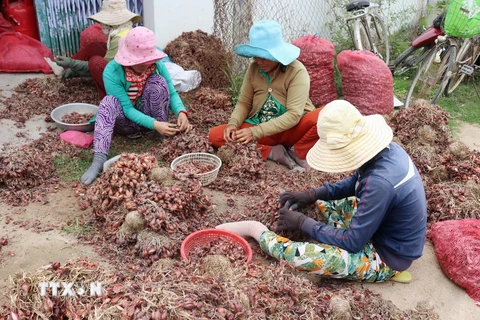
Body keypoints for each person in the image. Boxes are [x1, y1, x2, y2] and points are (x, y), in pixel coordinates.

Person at [217, 100, 427, 283]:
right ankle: (308, 215)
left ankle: (257, 231)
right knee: (318, 206)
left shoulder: (380, 182)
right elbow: (355, 183)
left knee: (316, 257)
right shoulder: (386, 151)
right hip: (383, 227)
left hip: (387, 255)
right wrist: (312, 194)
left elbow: (353, 242)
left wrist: (302, 223)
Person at [80, 27, 192, 185]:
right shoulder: (112, 71)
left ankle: (163, 135)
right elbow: (127, 109)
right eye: (139, 62)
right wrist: (155, 124)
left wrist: (181, 112)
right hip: (125, 122)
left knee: (158, 83)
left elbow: (172, 92)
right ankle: (99, 159)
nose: (144, 65)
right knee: (107, 103)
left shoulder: (157, 65)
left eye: (147, 61)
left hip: (153, 121)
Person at [208, 20, 322, 171]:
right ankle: (273, 152)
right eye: (256, 56)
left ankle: (298, 150)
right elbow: (244, 103)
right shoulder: (254, 69)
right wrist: (233, 124)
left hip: (293, 129)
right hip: (261, 126)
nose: (259, 61)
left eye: (264, 56)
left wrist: (254, 132)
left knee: (328, 114)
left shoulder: (296, 71)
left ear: (277, 53)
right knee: (216, 135)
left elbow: (294, 115)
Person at [44, 0, 142, 98]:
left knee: (95, 63)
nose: (101, 24)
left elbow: (105, 68)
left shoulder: (119, 39)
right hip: (120, 71)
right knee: (94, 47)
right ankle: (62, 69)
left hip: (124, 84)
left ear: (111, 23)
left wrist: (71, 63)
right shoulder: (124, 30)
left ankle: (108, 99)